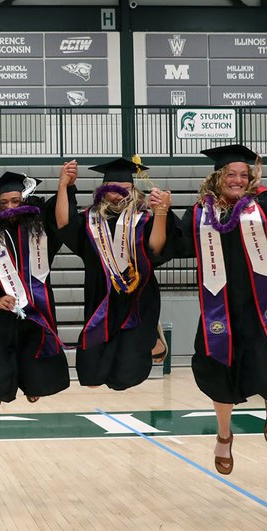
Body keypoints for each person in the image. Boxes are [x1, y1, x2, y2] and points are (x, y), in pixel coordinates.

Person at [174, 145, 267, 475]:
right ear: (218, 177)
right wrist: (159, 214)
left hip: (263, 308)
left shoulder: (264, 205)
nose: (237, 180)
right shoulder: (200, 213)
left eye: (243, 175)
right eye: (231, 174)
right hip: (220, 312)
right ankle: (224, 435)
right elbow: (175, 246)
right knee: (218, 371)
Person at [53, 158, 172, 390]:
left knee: (126, 375)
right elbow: (64, 224)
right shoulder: (90, 221)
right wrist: (63, 184)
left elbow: (156, 250)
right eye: (112, 191)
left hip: (139, 299)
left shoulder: (143, 218)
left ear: (133, 191)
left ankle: (153, 339)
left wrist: (161, 213)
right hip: (101, 298)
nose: (118, 196)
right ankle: (152, 340)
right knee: (91, 377)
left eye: (124, 190)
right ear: (102, 191)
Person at [0, 171, 68, 406]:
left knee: (35, 360)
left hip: (34, 312)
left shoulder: (40, 235)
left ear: (25, 202)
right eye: (4, 203)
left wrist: (64, 185)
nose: (10, 207)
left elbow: (62, 220)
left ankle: (35, 384)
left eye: (15, 201)